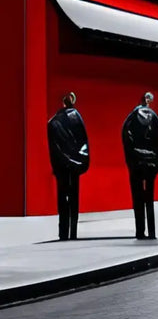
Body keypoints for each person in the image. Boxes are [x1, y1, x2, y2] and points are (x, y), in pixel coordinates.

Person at [47, 92, 90, 240]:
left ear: (63, 103)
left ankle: (63, 231)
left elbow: (53, 148)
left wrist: (58, 164)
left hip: (61, 166)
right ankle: (73, 231)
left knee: (62, 197)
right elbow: (84, 142)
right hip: (75, 166)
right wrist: (80, 161)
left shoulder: (53, 122)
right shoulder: (77, 118)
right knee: (74, 197)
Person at [122, 92, 158, 239]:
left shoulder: (132, 117)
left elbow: (126, 137)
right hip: (151, 162)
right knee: (150, 198)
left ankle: (140, 230)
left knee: (137, 197)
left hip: (136, 162)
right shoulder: (155, 118)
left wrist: (130, 159)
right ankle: (152, 231)